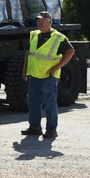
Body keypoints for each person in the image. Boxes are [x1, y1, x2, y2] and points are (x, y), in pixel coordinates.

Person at [21, 11, 75, 139]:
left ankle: (51, 130)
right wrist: (25, 71)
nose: (39, 23)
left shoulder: (58, 37)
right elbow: (28, 54)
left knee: (50, 103)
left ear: (50, 22)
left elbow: (70, 51)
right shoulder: (34, 35)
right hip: (34, 75)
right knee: (33, 102)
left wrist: (57, 67)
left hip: (49, 76)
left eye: (42, 20)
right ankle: (35, 127)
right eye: (38, 20)